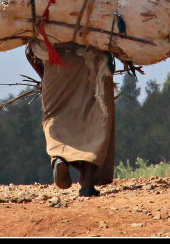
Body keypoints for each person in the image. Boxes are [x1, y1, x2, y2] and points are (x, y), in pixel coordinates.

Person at [26, 39, 115, 197]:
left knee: (55, 116)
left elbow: (29, 51)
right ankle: (87, 183)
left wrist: (44, 75)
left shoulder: (46, 23)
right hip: (94, 61)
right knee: (95, 120)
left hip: (56, 63)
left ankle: (59, 157)